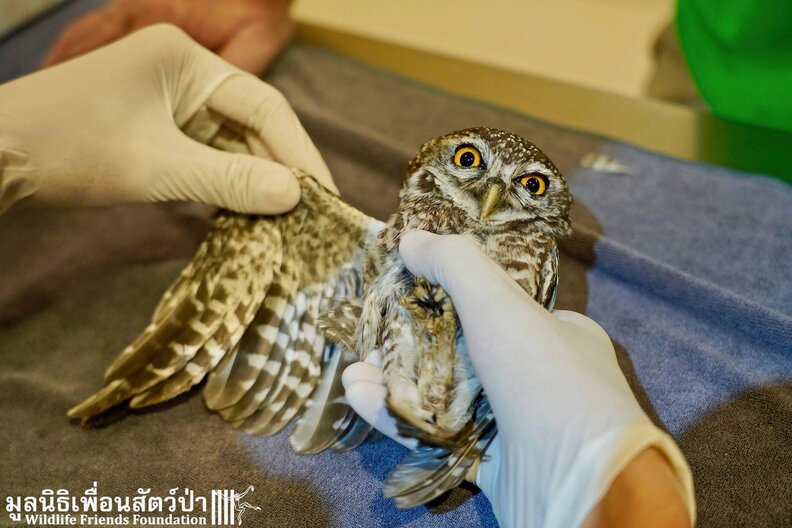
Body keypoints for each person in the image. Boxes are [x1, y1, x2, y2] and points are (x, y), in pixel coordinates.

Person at [0, 26, 694, 527]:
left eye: (529, 187)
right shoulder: (387, 243)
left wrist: (592, 469)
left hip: (474, 435)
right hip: (404, 394)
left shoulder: (530, 251)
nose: (493, 197)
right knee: (275, 208)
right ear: (432, 169)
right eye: (471, 167)